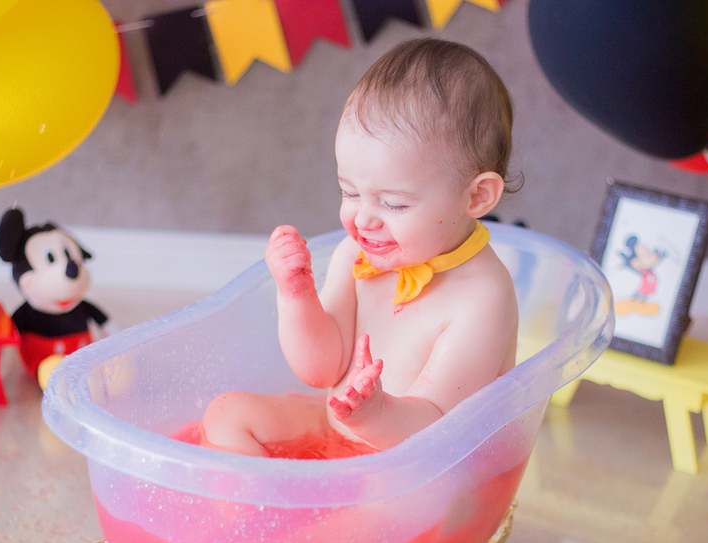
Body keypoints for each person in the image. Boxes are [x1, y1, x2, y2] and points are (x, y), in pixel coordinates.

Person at [200, 38, 520, 457]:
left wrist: (376, 415)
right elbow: (320, 371)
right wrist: (296, 296)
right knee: (226, 414)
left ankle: (296, 496)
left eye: (394, 203)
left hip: (412, 467)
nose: (364, 219)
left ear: (476, 197)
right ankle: (263, 498)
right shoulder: (357, 256)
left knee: (400, 499)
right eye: (349, 192)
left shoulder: (482, 297)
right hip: (336, 428)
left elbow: (439, 433)